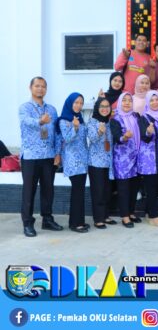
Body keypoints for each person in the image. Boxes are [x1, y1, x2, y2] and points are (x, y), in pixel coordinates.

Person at [19, 77, 63, 237]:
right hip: (30, 156)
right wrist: (40, 121)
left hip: (48, 156)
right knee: (29, 191)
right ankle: (27, 223)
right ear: (30, 87)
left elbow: (57, 133)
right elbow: (26, 122)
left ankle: (47, 219)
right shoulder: (24, 108)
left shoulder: (52, 109)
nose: (40, 89)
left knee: (48, 190)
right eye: (37, 86)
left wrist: (58, 152)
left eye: (43, 86)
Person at [57, 92, 89, 233]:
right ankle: (75, 224)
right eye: (76, 102)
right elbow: (67, 139)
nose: (79, 105)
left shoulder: (80, 119)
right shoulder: (64, 120)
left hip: (83, 160)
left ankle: (78, 221)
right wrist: (75, 127)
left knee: (80, 191)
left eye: (81, 103)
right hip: (72, 160)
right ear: (70, 103)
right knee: (77, 191)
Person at [110, 93, 140, 229]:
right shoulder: (115, 120)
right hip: (122, 159)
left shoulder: (136, 117)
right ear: (120, 103)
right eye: (124, 100)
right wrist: (125, 137)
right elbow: (117, 137)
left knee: (134, 187)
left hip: (136, 157)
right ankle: (125, 216)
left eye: (129, 101)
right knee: (123, 188)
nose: (127, 103)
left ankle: (131, 212)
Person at [137, 91, 158, 228]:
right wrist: (148, 132)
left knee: (156, 187)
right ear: (148, 102)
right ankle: (154, 216)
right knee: (151, 188)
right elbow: (144, 137)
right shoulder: (144, 118)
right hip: (149, 160)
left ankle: (149, 213)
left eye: (157, 99)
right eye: (152, 100)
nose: (155, 102)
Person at [87, 98, 116, 229]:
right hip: (96, 162)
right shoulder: (92, 122)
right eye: (102, 106)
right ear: (97, 108)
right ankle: (98, 219)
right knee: (98, 191)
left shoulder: (109, 122)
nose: (105, 109)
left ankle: (105, 215)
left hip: (108, 162)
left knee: (107, 191)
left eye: (107, 106)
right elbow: (92, 139)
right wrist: (99, 132)